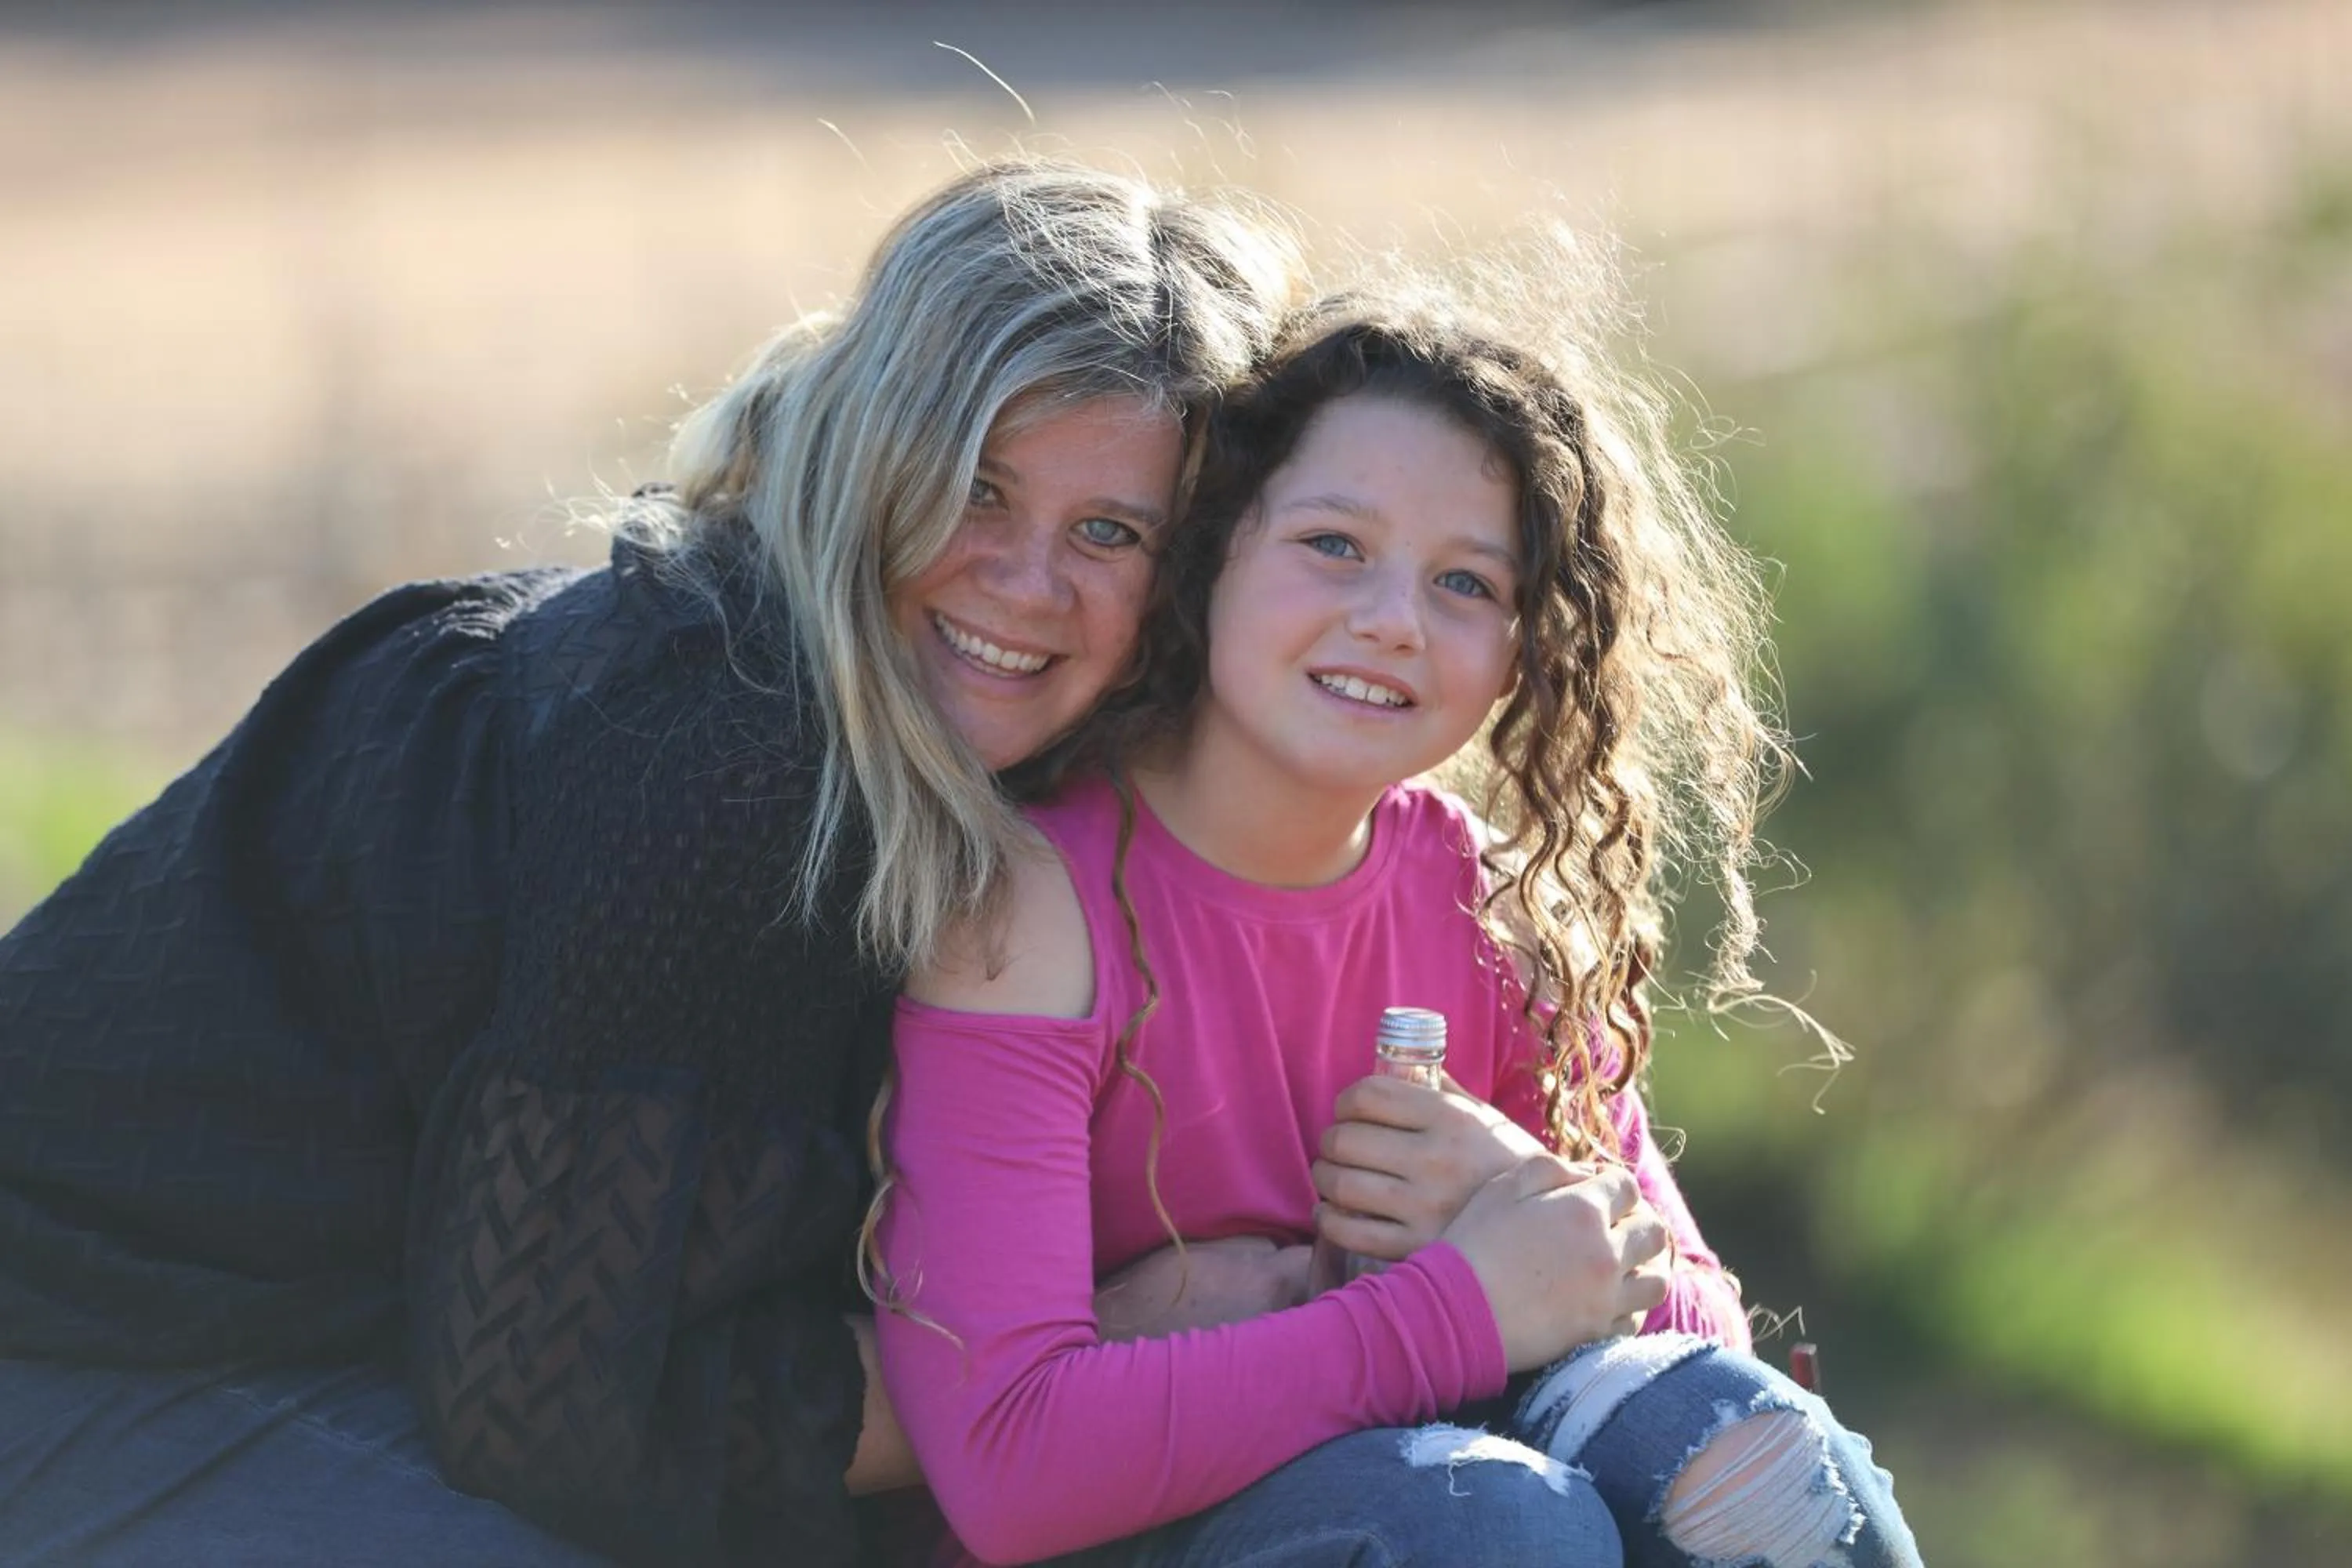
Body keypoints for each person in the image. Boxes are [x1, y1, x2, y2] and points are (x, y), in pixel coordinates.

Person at [0, 158, 1305, 1567]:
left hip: (338, 1356)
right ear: (868, 447)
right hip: (86, 1360)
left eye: (1110, 533)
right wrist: (1116, 1340)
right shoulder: (717, 748)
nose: (1029, 579)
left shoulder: (1017, 772)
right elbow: (564, 1422)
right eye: (974, 488)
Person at [875, 292, 1924, 1566]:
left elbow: (1712, 1350)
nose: (1393, 620)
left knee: (1768, 1465)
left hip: (1456, 1465)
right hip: (1135, 1536)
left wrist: (1512, 1196)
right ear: (1210, 558)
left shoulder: (1499, 910)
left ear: (1523, 653)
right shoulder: (1032, 910)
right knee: (1490, 1527)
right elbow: (1008, 1465)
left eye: (1465, 583)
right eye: (1333, 544)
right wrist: (1464, 1307)